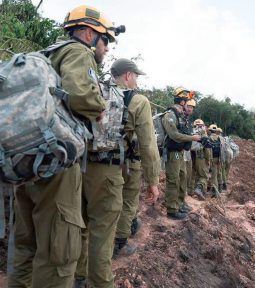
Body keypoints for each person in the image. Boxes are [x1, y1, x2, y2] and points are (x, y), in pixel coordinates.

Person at [8, 5, 118, 288]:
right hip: (56, 164)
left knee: (25, 243)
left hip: (24, 158)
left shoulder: (46, 54)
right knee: (60, 250)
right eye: (105, 40)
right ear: (88, 33)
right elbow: (81, 94)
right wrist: (101, 107)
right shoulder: (78, 52)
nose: (106, 49)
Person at [111, 58, 160, 257]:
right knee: (128, 202)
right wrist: (153, 180)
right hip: (127, 163)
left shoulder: (96, 91)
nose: (137, 81)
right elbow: (148, 144)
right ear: (128, 75)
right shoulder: (138, 100)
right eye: (136, 76)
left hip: (93, 163)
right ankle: (119, 243)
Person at [162, 87, 201, 220]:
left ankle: (179, 203)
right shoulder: (170, 115)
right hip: (173, 152)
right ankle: (172, 210)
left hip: (180, 151)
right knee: (173, 180)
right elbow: (173, 135)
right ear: (182, 101)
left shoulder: (180, 116)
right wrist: (192, 138)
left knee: (182, 177)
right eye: (185, 101)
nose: (186, 106)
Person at [191, 119, 212, 200]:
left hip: (191, 158)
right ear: (202, 126)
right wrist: (208, 160)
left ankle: (191, 193)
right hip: (201, 158)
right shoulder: (204, 134)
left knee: (194, 176)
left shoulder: (191, 132)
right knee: (204, 176)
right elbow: (207, 149)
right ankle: (199, 190)